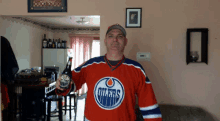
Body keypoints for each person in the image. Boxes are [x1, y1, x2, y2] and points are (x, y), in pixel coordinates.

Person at [55, 24, 162, 121]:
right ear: (105, 40)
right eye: (111, 36)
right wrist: (62, 85)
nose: (115, 39)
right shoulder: (90, 64)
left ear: (125, 41)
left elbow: (149, 105)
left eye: (120, 36)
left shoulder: (137, 69)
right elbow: (70, 84)